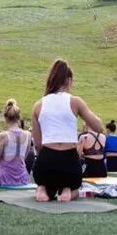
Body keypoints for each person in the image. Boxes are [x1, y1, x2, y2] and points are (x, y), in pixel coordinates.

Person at [32, 59, 103, 202]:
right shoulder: (75, 102)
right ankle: (67, 192)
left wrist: (45, 160)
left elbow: (38, 144)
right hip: (69, 162)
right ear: (69, 81)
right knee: (72, 186)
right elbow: (99, 127)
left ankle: (42, 189)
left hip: (46, 162)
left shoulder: (38, 105)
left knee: (44, 182)